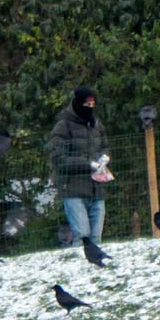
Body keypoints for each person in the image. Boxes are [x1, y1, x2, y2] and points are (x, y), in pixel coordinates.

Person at [49, 85, 110, 249]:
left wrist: (104, 158)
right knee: (82, 236)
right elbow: (59, 159)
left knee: (96, 239)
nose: (90, 108)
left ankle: (95, 265)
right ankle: (78, 263)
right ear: (77, 103)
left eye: (93, 104)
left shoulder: (96, 125)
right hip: (73, 190)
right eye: (86, 104)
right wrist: (88, 164)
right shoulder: (63, 126)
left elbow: (104, 146)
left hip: (97, 189)